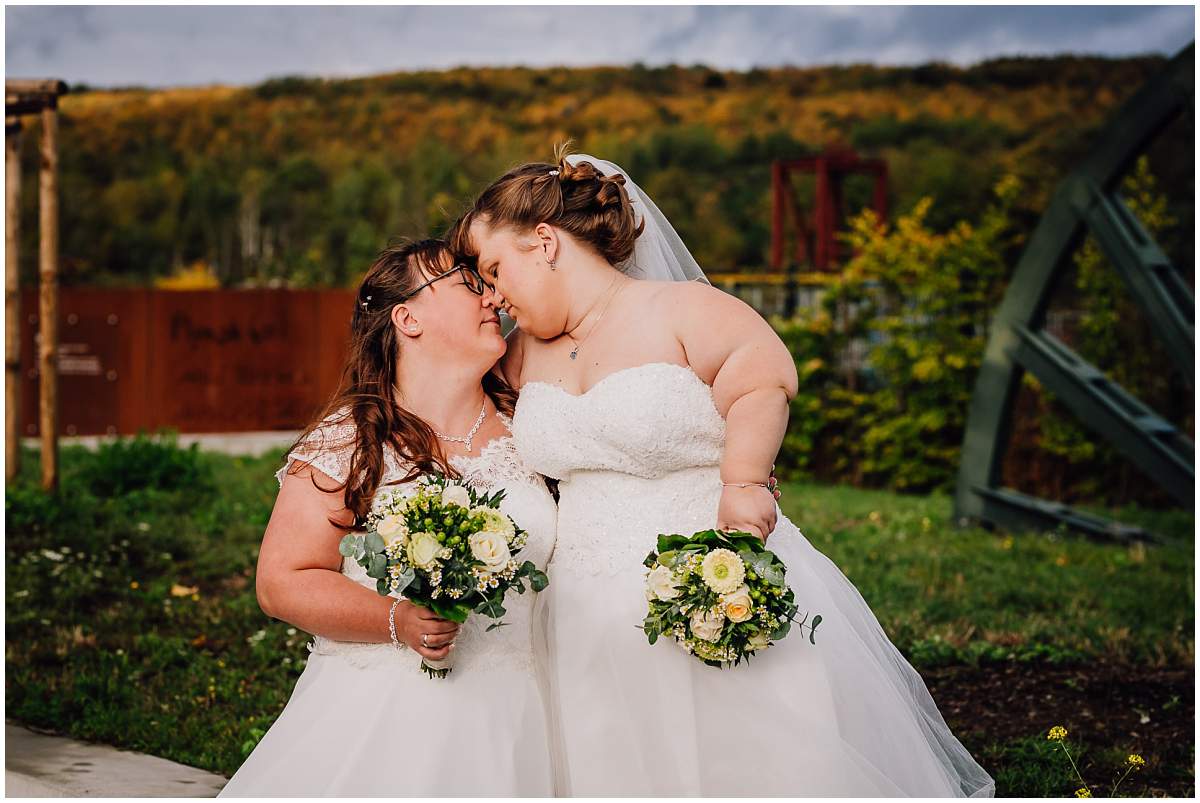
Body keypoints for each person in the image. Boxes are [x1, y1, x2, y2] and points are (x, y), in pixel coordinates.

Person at [449, 150, 996, 797]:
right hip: (584, 604)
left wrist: (744, 477)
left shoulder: (678, 309)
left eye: (494, 268)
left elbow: (764, 373)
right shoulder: (519, 354)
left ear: (543, 242)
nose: (494, 292)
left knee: (749, 752)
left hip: (712, 563)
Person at [219, 239, 558, 796]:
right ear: (407, 318)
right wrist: (397, 620)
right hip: (391, 718)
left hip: (524, 714)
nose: (492, 295)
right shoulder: (351, 441)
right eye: (468, 284)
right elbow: (282, 582)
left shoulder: (534, 430)